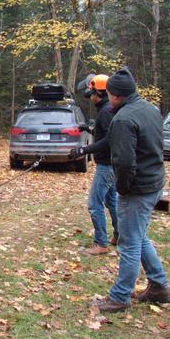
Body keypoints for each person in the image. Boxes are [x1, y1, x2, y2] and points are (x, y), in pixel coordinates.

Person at [91, 68, 170, 312]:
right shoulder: (150, 109)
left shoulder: (123, 119)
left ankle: (119, 296)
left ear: (115, 95)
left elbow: (125, 162)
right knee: (139, 236)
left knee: (128, 243)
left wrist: (123, 189)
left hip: (138, 188)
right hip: (154, 182)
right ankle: (159, 286)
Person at [70, 74, 118, 255]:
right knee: (111, 201)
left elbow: (108, 140)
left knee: (94, 203)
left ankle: (101, 243)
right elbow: (104, 134)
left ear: (97, 91)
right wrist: (88, 129)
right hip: (111, 164)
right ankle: (119, 236)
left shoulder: (106, 111)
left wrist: (84, 150)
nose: (89, 95)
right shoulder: (107, 109)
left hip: (106, 165)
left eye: (90, 91)